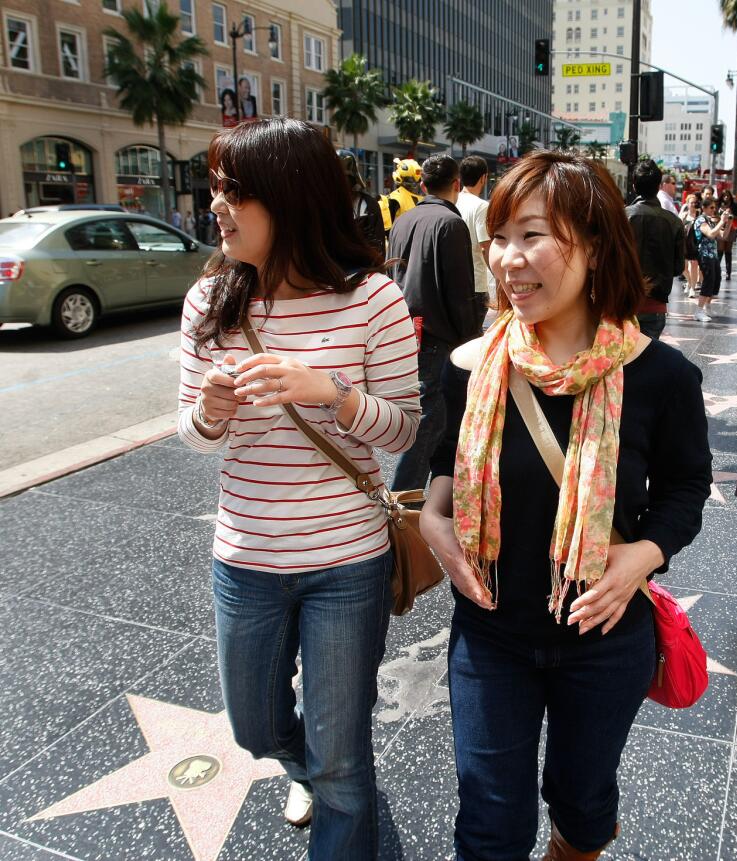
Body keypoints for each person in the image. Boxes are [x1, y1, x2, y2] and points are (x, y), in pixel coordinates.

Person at [418, 150, 711, 861]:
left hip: (605, 637)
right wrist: (432, 523)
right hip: (492, 633)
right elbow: (440, 479)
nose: (509, 259)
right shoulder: (473, 367)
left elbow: (685, 492)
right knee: (489, 818)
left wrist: (641, 553)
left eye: (533, 236)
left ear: (596, 244)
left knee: (583, 808)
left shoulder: (661, 375)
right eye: (500, 236)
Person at [177, 117, 420, 858]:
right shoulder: (210, 303)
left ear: (291, 197)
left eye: (233, 190)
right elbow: (189, 433)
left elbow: (406, 429)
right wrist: (209, 414)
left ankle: (334, 784)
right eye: (214, 187)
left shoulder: (372, 299)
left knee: (345, 761)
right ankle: (306, 767)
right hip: (244, 558)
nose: (214, 204)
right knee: (253, 724)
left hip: (347, 562)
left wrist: (333, 392)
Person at [388, 153, 477, 493]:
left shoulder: (403, 220)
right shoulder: (450, 224)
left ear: (423, 184)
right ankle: (403, 496)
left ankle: (434, 494)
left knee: (432, 417)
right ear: (457, 184)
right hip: (439, 334)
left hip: (405, 327)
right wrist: (472, 339)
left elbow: (392, 273)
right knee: (432, 420)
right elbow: (460, 290)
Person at [626, 159, 685, 340]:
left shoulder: (621, 217)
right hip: (655, 305)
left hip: (623, 302)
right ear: (659, 186)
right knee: (647, 361)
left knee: (621, 364)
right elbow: (678, 268)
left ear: (634, 185)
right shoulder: (674, 222)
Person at [457, 155, 493, 334]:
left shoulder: (453, 201)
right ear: (483, 178)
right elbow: (485, 246)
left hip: (455, 280)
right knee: (473, 335)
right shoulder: (480, 206)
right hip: (476, 283)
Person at [337, 148, 386, 251]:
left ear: (353, 179)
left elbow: (378, 246)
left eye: (344, 178)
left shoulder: (369, 205)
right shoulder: (323, 205)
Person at [693, 196, 732, 322]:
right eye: (711, 207)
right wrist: (722, 221)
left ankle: (707, 307)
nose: (713, 210)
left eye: (715, 207)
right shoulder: (700, 220)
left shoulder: (710, 220)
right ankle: (699, 310)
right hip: (704, 255)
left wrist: (728, 223)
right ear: (703, 208)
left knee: (716, 280)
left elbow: (723, 236)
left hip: (713, 255)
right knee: (708, 281)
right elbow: (710, 234)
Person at [681, 192, 702, 298]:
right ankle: (689, 282)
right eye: (691, 202)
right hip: (684, 244)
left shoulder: (699, 216)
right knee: (682, 268)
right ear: (687, 204)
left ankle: (692, 288)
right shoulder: (683, 215)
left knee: (694, 265)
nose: (693, 204)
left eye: (695, 202)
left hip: (695, 244)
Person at [717, 189, 737, 279]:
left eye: (727, 195)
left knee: (728, 251)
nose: (726, 197)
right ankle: (717, 270)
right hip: (720, 228)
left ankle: (728, 273)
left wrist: (732, 215)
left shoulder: (735, 206)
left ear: (730, 196)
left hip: (731, 229)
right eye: (724, 195)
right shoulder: (718, 205)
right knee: (720, 250)